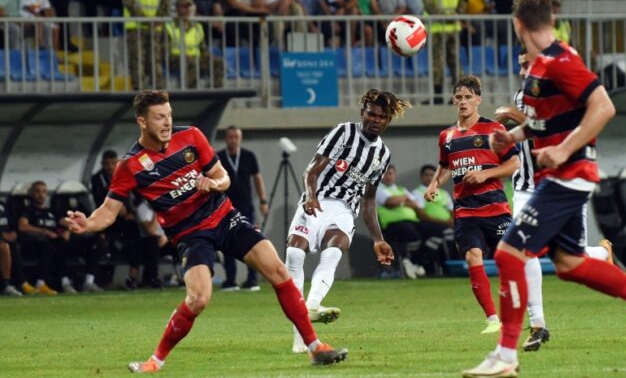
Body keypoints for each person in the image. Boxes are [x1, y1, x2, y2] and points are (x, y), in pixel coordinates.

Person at [462, 0, 626, 378]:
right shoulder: (541, 68)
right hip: (556, 177)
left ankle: (506, 355)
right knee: (569, 264)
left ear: (518, 24)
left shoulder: (561, 60)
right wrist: (512, 137)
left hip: (570, 175)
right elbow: (546, 123)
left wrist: (564, 149)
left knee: (509, 254)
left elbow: (604, 106)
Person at [65, 90, 348, 373]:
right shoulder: (130, 165)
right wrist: (87, 224)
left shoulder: (191, 136)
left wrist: (213, 184)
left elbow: (223, 177)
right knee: (199, 298)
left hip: (224, 217)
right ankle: (155, 361)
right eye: (159, 117)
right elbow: (108, 211)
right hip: (190, 234)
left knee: (277, 270)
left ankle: (315, 348)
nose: (167, 122)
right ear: (142, 121)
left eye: (169, 115)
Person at [493, 51, 613, 352]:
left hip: (560, 185)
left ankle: (601, 253)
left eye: (527, 64)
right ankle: (538, 324)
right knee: (525, 252)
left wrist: (513, 116)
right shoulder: (522, 96)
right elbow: (527, 135)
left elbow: (550, 133)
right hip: (525, 188)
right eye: (520, 65)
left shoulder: (563, 97)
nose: (523, 70)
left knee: (571, 258)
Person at [285, 89, 407, 353]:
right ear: (363, 113)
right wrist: (310, 196)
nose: (375, 120)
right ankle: (300, 334)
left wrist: (378, 239)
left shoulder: (382, 155)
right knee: (294, 254)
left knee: (333, 250)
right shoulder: (344, 132)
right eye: (371, 114)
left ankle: (311, 307)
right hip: (317, 199)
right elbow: (311, 170)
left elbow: (369, 201)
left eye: (382, 117)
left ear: (388, 121)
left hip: (343, 210)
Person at [424, 75, 520, 335]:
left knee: (513, 262)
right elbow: (445, 165)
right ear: (453, 101)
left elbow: (514, 163)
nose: (463, 101)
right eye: (459, 97)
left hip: (496, 209)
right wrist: (434, 184)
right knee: (472, 257)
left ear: (478, 100)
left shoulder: (494, 130)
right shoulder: (446, 136)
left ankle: (520, 312)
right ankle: (493, 319)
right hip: (466, 211)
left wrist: (486, 174)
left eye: (468, 97)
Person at [217, 126, 268, 292]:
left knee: (250, 241)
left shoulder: (248, 156)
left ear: (240, 138)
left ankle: (252, 279)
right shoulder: (218, 157)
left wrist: (263, 201)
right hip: (225, 207)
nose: (233, 140)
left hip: (246, 206)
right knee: (226, 242)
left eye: (236, 137)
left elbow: (257, 179)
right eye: (230, 137)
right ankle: (230, 280)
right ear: (226, 138)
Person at [123, 0, 169, 91]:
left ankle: (140, 92)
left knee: (138, 61)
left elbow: (128, 3)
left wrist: (145, 19)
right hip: (156, 26)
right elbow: (166, 4)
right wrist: (157, 19)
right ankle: (158, 92)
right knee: (155, 60)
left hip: (135, 26)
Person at [422, 0, 465, 104]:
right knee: (455, 62)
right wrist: (453, 16)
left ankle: (438, 97)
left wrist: (444, 17)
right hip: (453, 28)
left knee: (437, 63)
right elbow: (462, 5)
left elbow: (430, 7)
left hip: (437, 29)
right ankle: (459, 97)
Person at [376, 164, 428, 279]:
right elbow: (390, 202)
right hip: (392, 224)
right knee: (409, 232)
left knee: (429, 230)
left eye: (390, 173)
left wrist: (399, 202)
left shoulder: (401, 189)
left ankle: (415, 263)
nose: (388, 176)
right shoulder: (378, 189)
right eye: (385, 174)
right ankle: (408, 262)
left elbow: (416, 205)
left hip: (412, 221)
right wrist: (404, 198)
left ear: (394, 175)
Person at [165, 0, 224, 89]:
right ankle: (191, 91)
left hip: (195, 57)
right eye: (184, 6)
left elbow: (202, 48)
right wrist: (182, 56)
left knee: (218, 62)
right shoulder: (169, 26)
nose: (187, 9)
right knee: (191, 61)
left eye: (188, 6)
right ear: (177, 8)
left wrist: (210, 56)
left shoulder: (197, 26)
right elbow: (165, 51)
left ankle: (215, 91)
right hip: (175, 59)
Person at [0, 200, 23, 296]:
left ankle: (17, 283)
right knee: (3, 246)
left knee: (14, 247)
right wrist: (1, 235)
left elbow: (12, 222)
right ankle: (5, 285)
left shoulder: (3, 204)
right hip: (2, 238)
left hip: (7, 238)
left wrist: (14, 232)